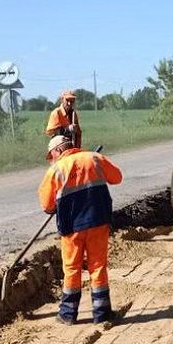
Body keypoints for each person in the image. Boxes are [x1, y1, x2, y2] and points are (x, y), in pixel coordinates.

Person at [38, 135, 123, 325]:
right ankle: (102, 313)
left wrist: (55, 205)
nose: (51, 159)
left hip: (71, 226)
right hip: (98, 221)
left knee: (71, 268)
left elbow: (46, 205)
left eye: (52, 155)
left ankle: (68, 314)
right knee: (98, 266)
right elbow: (117, 178)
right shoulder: (94, 158)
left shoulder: (56, 170)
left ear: (58, 150)